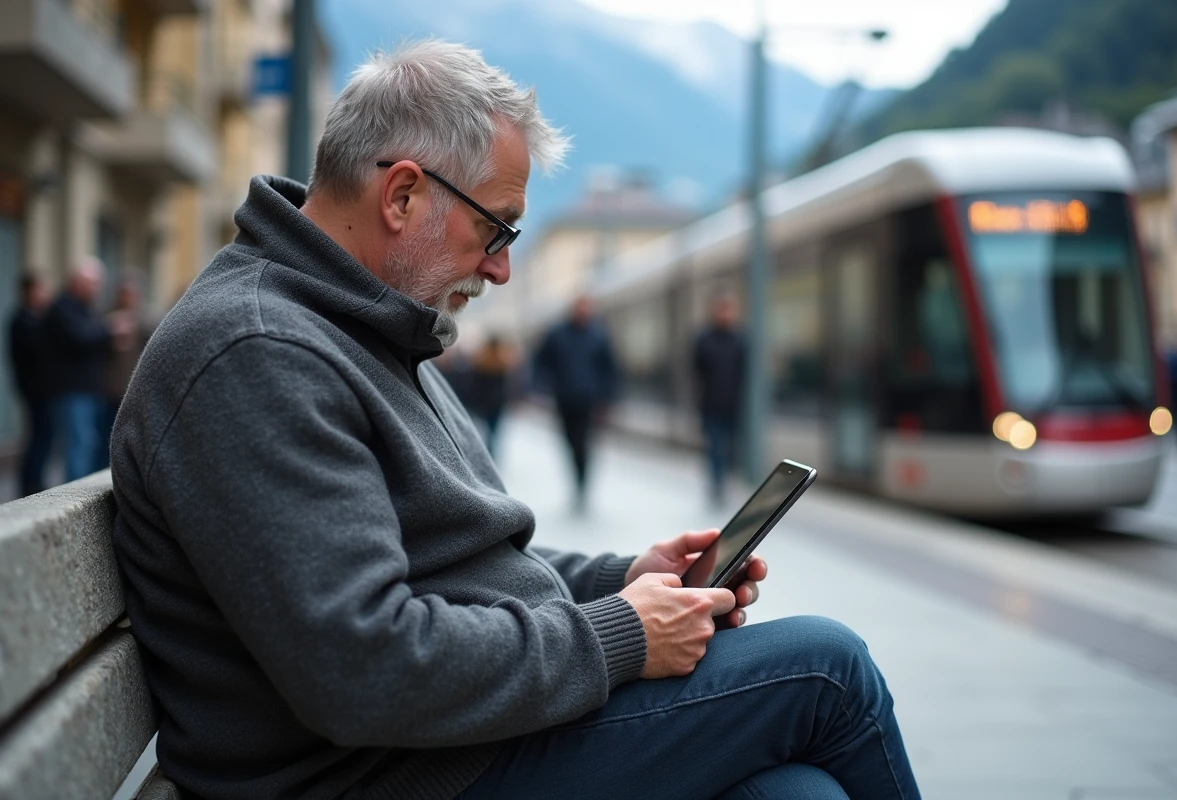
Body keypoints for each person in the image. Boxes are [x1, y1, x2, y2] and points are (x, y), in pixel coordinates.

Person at [108, 41, 921, 800]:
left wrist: (621, 583)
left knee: (799, 794)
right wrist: (622, 636)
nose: (501, 267)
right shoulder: (257, 353)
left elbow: (465, 560)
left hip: (445, 747)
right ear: (402, 194)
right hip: (391, 775)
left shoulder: (357, 330)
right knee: (825, 669)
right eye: (496, 228)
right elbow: (362, 666)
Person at [42, 257, 125, 482]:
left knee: (88, 443)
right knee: (79, 444)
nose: (96, 289)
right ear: (77, 282)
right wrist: (109, 332)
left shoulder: (84, 309)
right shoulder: (62, 308)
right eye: (92, 283)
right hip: (71, 390)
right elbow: (81, 339)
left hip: (88, 390)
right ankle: (74, 496)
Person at [534, 296, 619, 512]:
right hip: (564, 398)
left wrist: (608, 397)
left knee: (583, 443)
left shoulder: (598, 335)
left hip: (589, 399)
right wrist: (544, 385)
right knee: (569, 442)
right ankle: (577, 477)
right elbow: (541, 361)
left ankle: (581, 483)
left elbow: (609, 368)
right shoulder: (557, 334)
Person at [693, 294, 746, 505]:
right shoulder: (704, 339)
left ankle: (724, 479)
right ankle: (717, 484)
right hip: (711, 404)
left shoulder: (739, 340)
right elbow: (697, 369)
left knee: (731, 448)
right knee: (714, 446)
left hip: (734, 405)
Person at [99, 276, 150, 469]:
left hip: (131, 390)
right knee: (103, 439)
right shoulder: (106, 317)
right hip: (107, 389)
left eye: (132, 294)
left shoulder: (144, 319)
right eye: (125, 294)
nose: (128, 298)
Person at [8, 273, 53, 496]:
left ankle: (35, 480)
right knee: (38, 436)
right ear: (28, 291)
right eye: (40, 289)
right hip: (34, 389)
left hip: (41, 388)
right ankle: (30, 483)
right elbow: (34, 353)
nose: (44, 294)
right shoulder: (22, 320)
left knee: (42, 436)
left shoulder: (35, 318)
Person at [470, 333, 514, 456]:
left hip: (483, 402)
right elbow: (506, 385)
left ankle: (484, 454)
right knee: (494, 432)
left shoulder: (480, 361)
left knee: (483, 431)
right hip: (498, 402)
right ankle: (491, 455)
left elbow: (475, 385)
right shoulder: (503, 362)